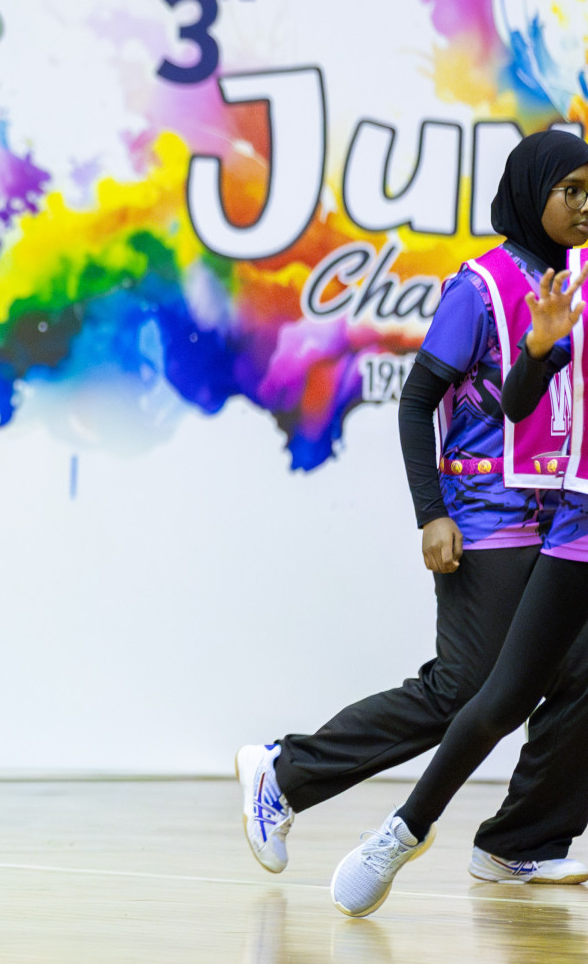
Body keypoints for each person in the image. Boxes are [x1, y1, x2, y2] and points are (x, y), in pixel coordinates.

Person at [237, 128, 588, 897]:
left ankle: (520, 842)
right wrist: (430, 512)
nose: (586, 207)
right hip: (487, 514)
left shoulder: (574, 283)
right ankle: (284, 773)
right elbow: (417, 398)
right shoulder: (483, 286)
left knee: (580, 671)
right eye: (572, 192)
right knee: (464, 690)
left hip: (558, 514)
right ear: (534, 194)